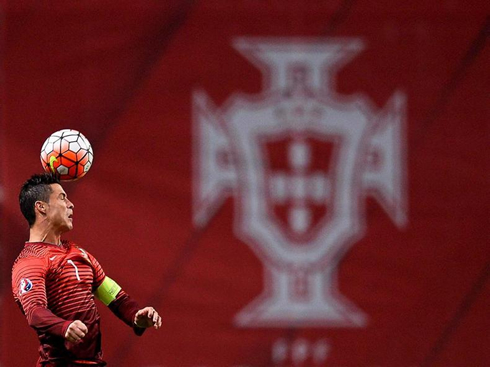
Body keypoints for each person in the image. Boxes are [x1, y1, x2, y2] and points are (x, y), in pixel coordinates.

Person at [12, 173, 162, 366]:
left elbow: (115, 297)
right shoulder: (30, 262)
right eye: (62, 198)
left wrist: (137, 316)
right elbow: (35, 312)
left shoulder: (80, 254)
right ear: (41, 207)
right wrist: (64, 327)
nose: (71, 204)